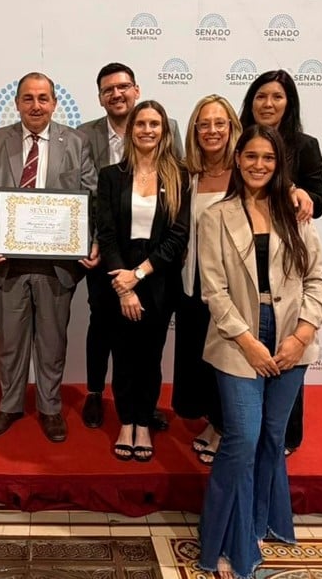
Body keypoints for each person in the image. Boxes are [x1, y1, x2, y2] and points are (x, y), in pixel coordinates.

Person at [196, 124, 322, 579]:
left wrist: (301, 335)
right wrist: (248, 342)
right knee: (242, 438)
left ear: (279, 164)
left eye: (268, 158)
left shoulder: (296, 212)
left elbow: (318, 279)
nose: (258, 165)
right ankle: (223, 541)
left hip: (292, 337)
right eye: (251, 156)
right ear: (238, 160)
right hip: (238, 340)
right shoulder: (216, 216)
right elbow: (214, 291)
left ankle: (258, 526)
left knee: (273, 437)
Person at [0, 71, 99, 443]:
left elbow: (92, 201)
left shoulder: (76, 142)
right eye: (28, 98)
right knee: (11, 343)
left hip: (57, 267)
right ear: (16, 103)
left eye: (43, 98)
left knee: (51, 342)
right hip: (8, 264)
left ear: (54, 103)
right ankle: (9, 405)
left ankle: (50, 408)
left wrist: (92, 241)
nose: (36, 105)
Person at [77, 62, 177, 431]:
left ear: (136, 90)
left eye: (123, 87)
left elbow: (176, 192)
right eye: (108, 90)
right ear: (100, 97)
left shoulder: (167, 128)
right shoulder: (84, 135)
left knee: (147, 339)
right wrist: (91, 240)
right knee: (102, 322)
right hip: (103, 249)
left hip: (152, 258)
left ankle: (141, 408)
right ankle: (94, 391)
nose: (117, 94)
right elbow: (79, 192)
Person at [239, 69, 322, 456]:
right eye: (261, 96)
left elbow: (319, 200)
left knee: (289, 355)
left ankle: (284, 437)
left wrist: (298, 191)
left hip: (287, 259)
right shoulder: (238, 140)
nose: (268, 103)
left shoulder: (305, 146)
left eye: (277, 96)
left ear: (289, 102)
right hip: (243, 251)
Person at [95, 100, 190, 462]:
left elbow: (177, 236)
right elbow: (106, 234)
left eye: (155, 124)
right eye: (141, 124)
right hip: (118, 275)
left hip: (158, 278)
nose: (147, 130)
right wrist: (124, 285)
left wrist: (138, 276)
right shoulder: (111, 175)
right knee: (123, 355)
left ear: (164, 131)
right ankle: (126, 422)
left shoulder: (179, 176)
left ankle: (144, 422)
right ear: (130, 129)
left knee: (150, 357)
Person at [173, 95, 241, 466]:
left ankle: (224, 426)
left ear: (232, 127)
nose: (212, 130)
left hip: (234, 287)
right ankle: (214, 420)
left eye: (219, 123)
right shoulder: (189, 175)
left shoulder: (246, 171)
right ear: (195, 130)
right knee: (203, 357)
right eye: (204, 124)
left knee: (229, 358)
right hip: (194, 282)